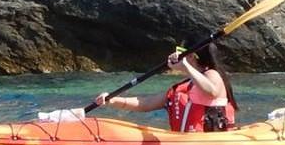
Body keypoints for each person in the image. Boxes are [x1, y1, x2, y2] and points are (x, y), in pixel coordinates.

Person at [91, 43, 236, 132]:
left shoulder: (212, 74)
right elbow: (146, 103)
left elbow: (212, 91)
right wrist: (112, 100)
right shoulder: (185, 86)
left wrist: (185, 67)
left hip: (210, 141)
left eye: (181, 51)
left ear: (192, 56)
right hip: (186, 144)